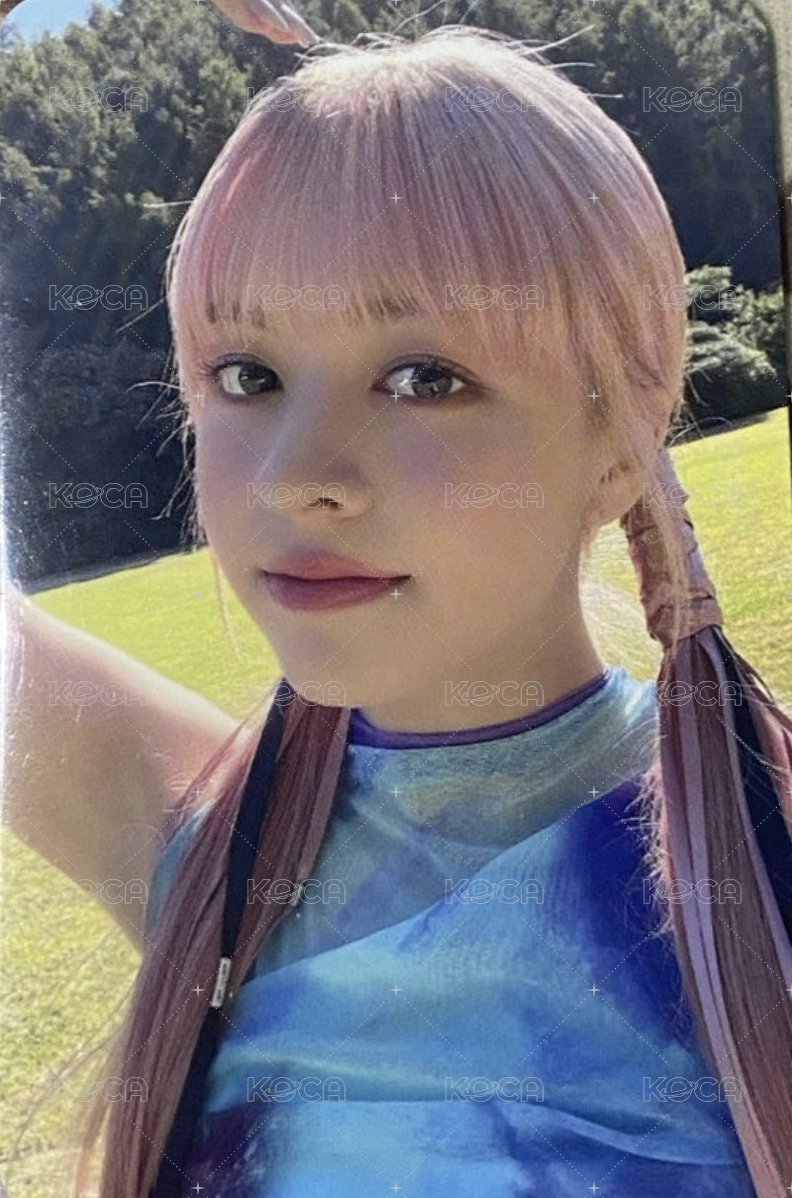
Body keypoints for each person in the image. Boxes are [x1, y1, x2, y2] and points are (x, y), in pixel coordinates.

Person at [5, 18, 792, 1198]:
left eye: (426, 378)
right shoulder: (214, 852)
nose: (296, 475)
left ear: (616, 445)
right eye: (248, 375)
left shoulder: (756, 866)